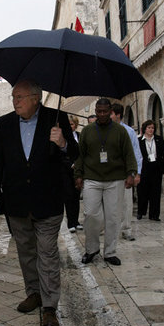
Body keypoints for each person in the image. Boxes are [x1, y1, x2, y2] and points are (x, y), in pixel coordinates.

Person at [0, 80, 78, 326]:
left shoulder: (56, 119)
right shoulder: (3, 124)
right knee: (26, 252)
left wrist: (63, 144)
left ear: (36, 98)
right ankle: (34, 293)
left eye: (20, 97)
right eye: (13, 97)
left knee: (47, 253)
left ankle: (50, 307)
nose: (15, 101)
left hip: (48, 200)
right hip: (16, 201)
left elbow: (75, 156)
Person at [74, 98, 137, 267]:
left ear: (110, 112)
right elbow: (80, 155)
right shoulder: (87, 131)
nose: (101, 114)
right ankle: (92, 249)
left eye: (104, 111)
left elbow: (128, 153)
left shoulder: (120, 131)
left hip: (115, 179)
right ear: (95, 110)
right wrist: (78, 175)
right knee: (91, 215)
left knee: (113, 217)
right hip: (92, 178)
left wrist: (131, 173)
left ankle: (110, 252)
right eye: (99, 111)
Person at [110, 103, 142, 241]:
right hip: (108, 172)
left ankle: (126, 229)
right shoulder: (104, 131)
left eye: (110, 113)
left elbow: (136, 153)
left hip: (124, 173)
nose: (108, 116)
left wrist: (137, 173)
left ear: (118, 115)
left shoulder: (129, 132)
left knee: (126, 203)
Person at [137, 120, 164, 221]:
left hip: (156, 168)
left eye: (152, 128)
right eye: (149, 128)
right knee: (142, 191)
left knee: (155, 191)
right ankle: (141, 212)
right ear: (144, 129)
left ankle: (154, 214)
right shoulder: (139, 141)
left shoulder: (159, 139)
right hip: (144, 169)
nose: (151, 130)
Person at [64, 115, 83, 232]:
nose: (70, 126)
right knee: (69, 196)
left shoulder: (80, 136)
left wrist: (79, 165)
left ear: (75, 125)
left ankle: (76, 221)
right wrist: (70, 164)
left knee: (76, 195)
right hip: (67, 171)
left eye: (71, 124)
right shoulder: (63, 138)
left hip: (78, 171)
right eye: (68, 124)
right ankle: (70, 222)